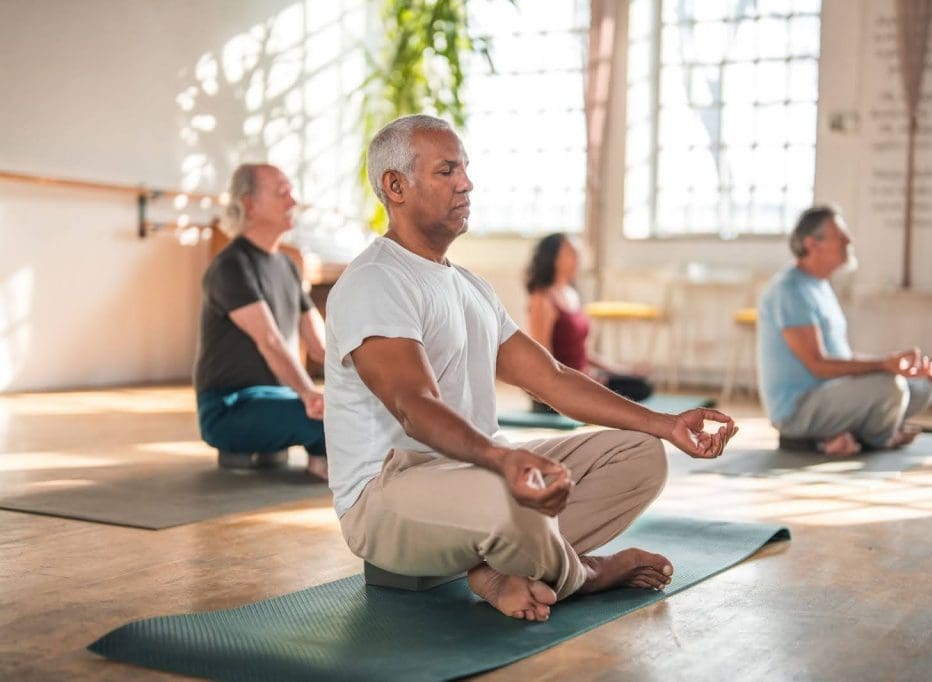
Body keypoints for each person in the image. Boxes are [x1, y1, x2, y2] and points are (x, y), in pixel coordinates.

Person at [324, 114, 738, 622]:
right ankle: (581, 575)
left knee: (641, 455)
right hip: (385, 496)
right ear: (396, 186)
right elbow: (415, 407)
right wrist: (501, 459)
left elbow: (554, 379)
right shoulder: (375, 281)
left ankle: (500, 566)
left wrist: (665, 424)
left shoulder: (471, 287)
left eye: (466, 169)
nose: (466, 182)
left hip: (474, 475)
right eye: (447, 170)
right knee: (514, 501)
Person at [757, 205, 932, 456]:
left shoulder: (819, 286)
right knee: (890, 387)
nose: (849, 240)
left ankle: (845, 435)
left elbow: (842, 357)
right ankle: (877, 438)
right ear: (812, 244)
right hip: (798, 409)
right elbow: (819, 365)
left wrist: (901, 366)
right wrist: (884, 366)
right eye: (840, 236)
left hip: (832, 393)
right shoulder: (790, 290)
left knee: (919, 385)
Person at [193, 163, 328, 479]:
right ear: (249, 204)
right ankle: (322, 459)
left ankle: (318, 450)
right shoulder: (231, 266)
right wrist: (310, 394)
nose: (292, 202)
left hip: (278, 398)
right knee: (334, 418)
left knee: (353, 411)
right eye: (282, 193)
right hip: (229, 408)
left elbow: (321, 346)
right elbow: (270, 341)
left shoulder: (288, 266)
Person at [525, 233, 653, 412]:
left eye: (578, 253)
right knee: (630, 394)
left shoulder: (572, 294)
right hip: (558, 389)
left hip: (583, 380)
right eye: (571, 253)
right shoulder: (542, 299)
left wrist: (624, 370)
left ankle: (593, 395)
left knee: (640, 386)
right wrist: (583, 379)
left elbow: (584, 353)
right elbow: (543, 357)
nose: (578, 258)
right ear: (552, 257)